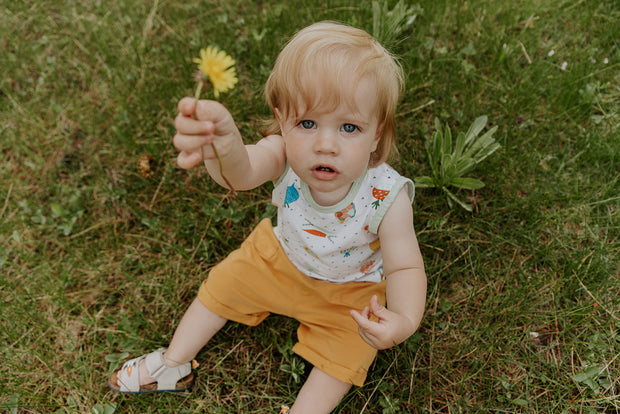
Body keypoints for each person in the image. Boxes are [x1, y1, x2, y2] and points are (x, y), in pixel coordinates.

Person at [109, 21, 427, 413]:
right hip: (278, 260)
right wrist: (223, 146)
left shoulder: (388, 198)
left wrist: (403, 320)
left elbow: (406, 268)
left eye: (349, 127)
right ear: (282, 120)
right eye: (307, 123)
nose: (325, 145)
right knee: (220, 288)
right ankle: (174, 363)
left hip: (350, 292)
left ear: (376, 134)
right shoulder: (282, 153)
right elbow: (240, 173)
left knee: (347, 355)